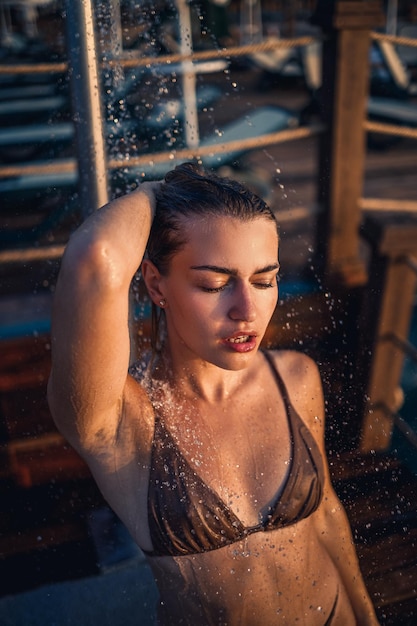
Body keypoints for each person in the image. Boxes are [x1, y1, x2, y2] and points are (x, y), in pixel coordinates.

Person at [47, 162, 379, 625]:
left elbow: (324, 514)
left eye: (264, 281)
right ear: (156, 284)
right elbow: (96, 258)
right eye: (214, 284)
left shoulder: (297, 378)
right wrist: (155, 189)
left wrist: (365, 614)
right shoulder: (121, 422)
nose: (247, 309)